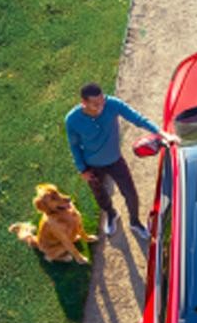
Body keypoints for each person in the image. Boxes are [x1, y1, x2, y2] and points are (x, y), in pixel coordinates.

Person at [65, 83, 177, 238]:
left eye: (102, 100)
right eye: (95, 104)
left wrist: (162, 134)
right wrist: (82, 169)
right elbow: (74, 146)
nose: (101, 106)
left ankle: (135, 222)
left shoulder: (112, 104)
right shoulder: (72, 120)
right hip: (92, 165)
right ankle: (112, 214)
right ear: (83, 102)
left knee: (130, 194)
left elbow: (137, 118)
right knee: (100, 196)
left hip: (115, 160)